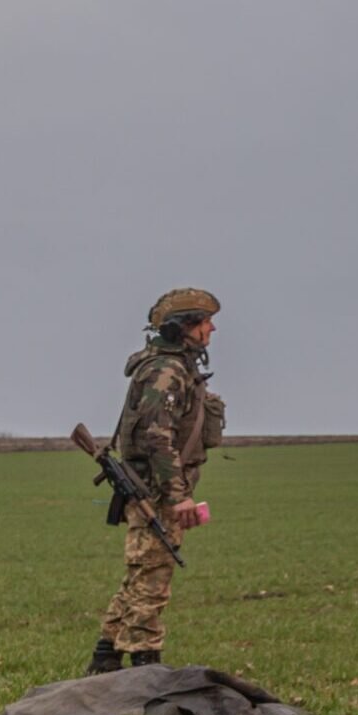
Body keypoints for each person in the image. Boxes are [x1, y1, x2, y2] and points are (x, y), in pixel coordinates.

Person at [87, 288, 226, 674]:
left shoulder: (175, 367)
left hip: (157, 488)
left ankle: (105, 657)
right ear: (184, 328)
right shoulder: (166, 371)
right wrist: (178, 496)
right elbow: (157, 437)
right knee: (153, 578)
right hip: (157, 492)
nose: (212, 328)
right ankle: (145, 666)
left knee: (142, 573)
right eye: (204, 322)